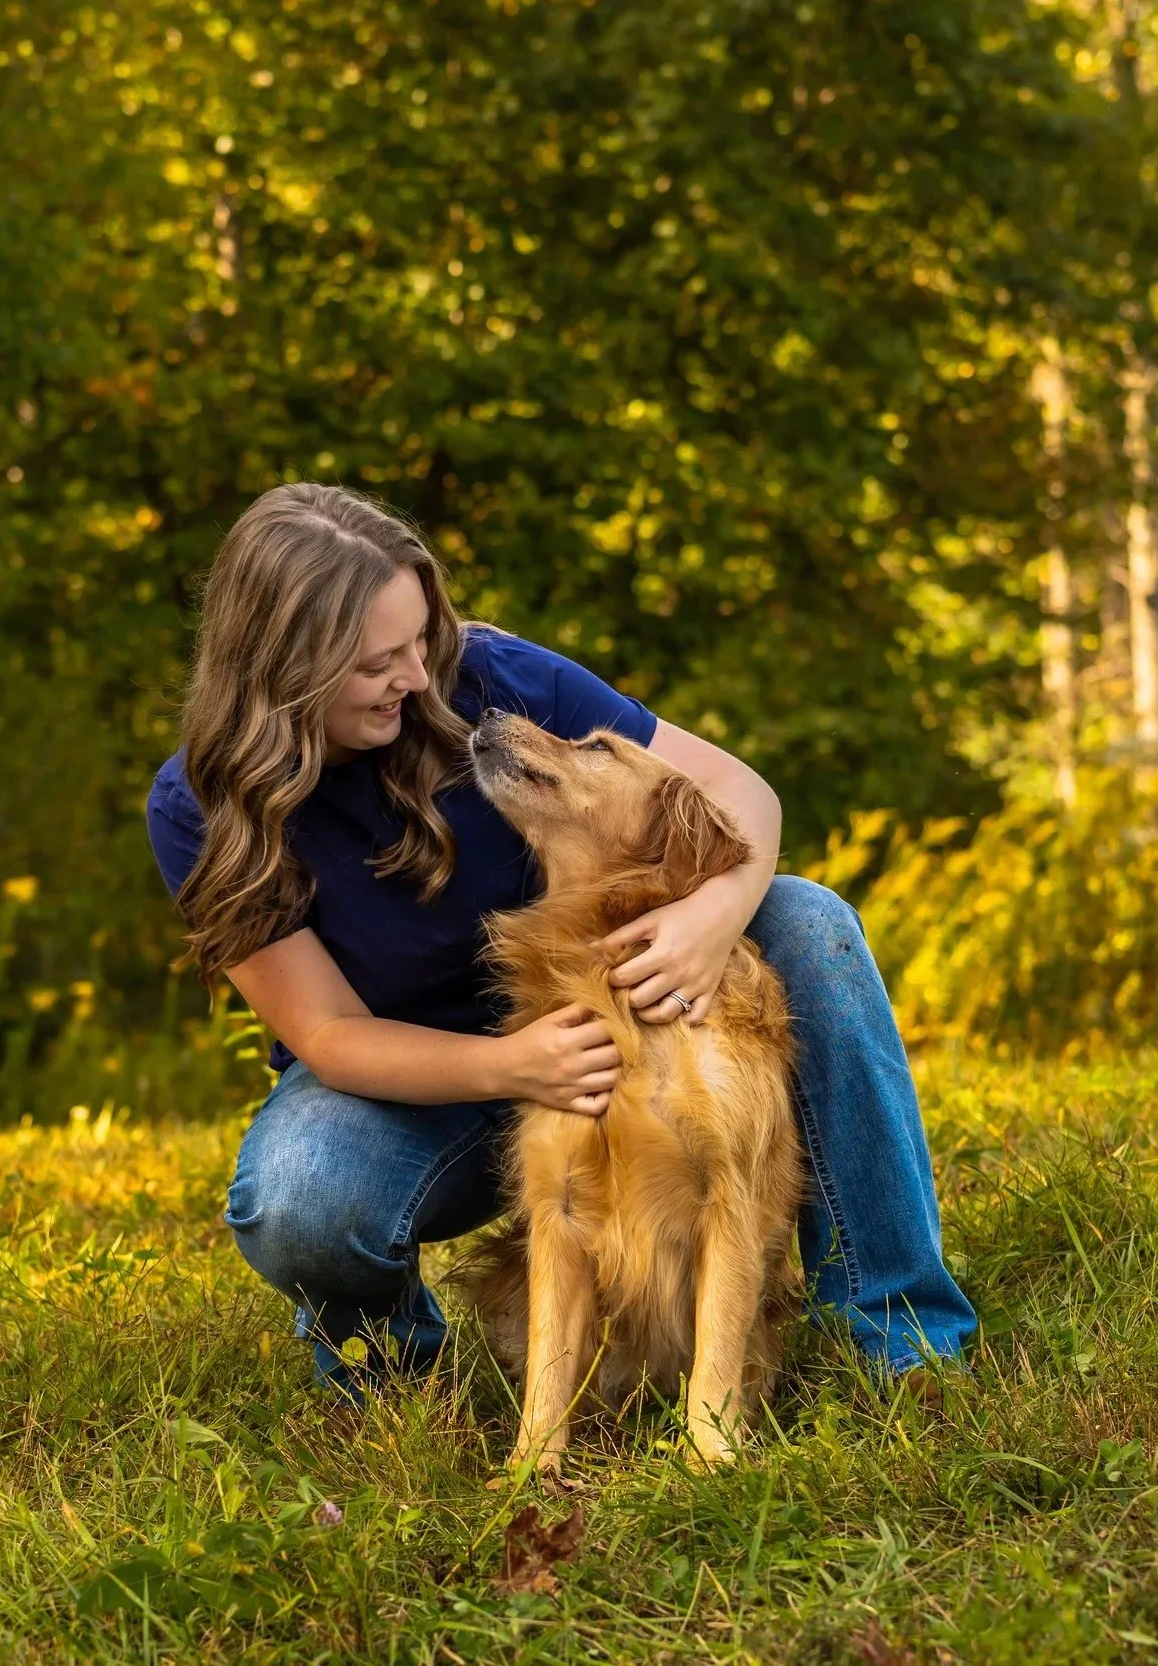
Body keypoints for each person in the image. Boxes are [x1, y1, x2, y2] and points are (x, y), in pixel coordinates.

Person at [146, 482, 975, 1400]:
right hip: (424, 1087)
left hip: (627, 1021)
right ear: (282, 665)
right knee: (299, 1195)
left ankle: (899, 1337)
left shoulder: (490, 678)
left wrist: (712, 914)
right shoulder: (201, 807)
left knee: (807, 919)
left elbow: (742, 794)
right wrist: (514, 1065)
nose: (417, 677)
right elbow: (329, 1035)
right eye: (376, 660)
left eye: (419, 639)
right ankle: (383, 1363)